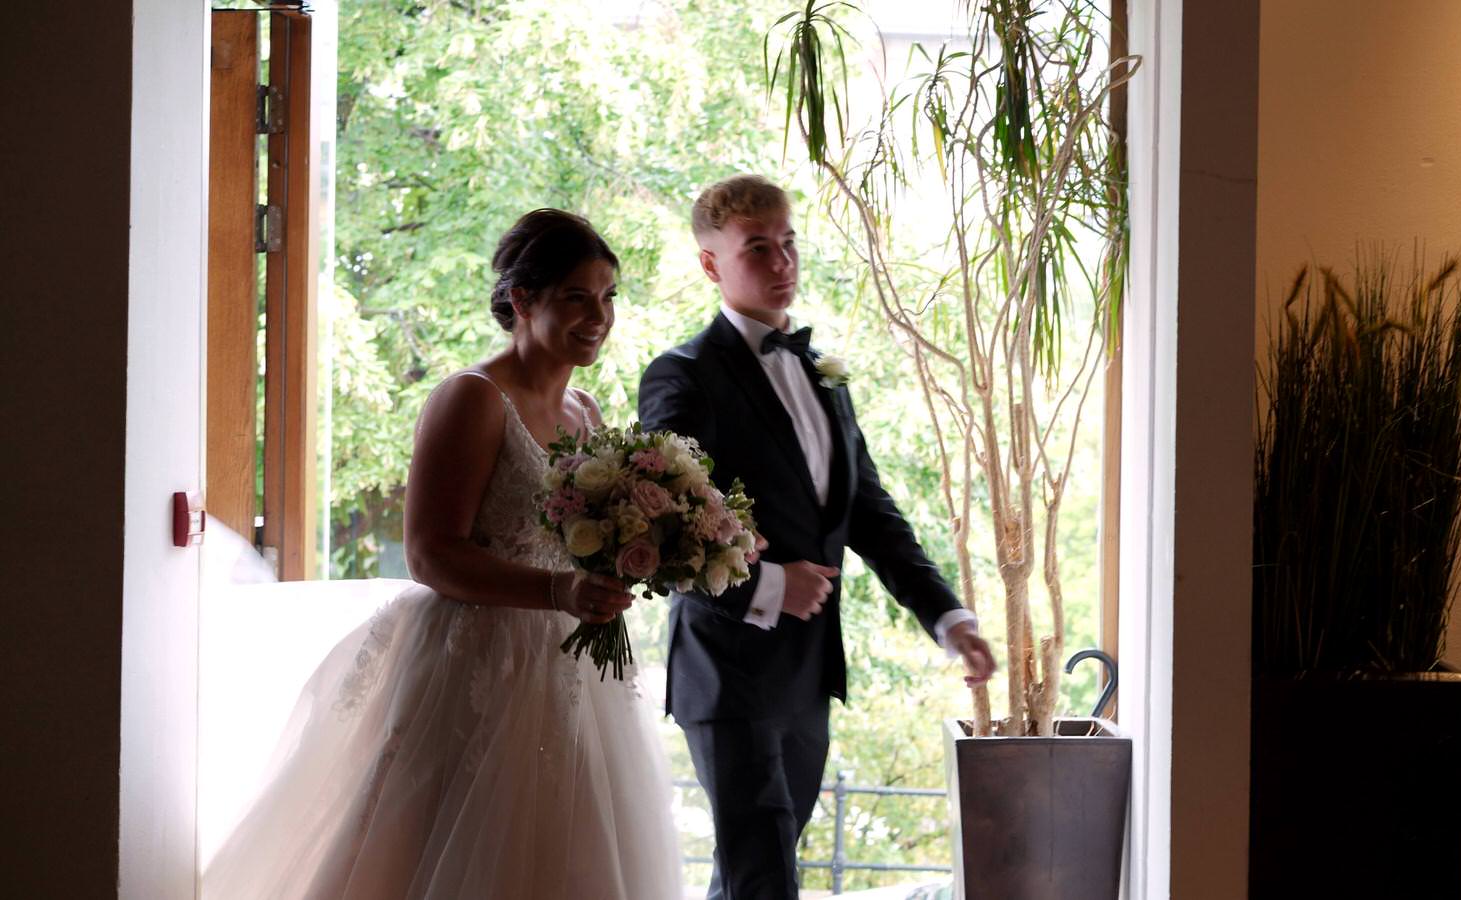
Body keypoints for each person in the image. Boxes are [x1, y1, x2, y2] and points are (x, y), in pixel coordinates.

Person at [202, 209, 681, 900]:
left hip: (571, 661)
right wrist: (555, 594)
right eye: (576, 296)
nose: (598, 315)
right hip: (479, 658)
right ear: (523, 300)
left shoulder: (586, 409)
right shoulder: (472, 397)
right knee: (446, 848)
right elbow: (430, 555)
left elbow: (583, 540)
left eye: (607, 297)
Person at [638, 175, 997, 900]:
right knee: (765, 870)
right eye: (758, 248)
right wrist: (772, 582)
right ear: (711, 264)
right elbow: (662, 524)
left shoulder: (821, 372)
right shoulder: (683, 376)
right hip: (726, 665)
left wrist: (947, 616)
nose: (782, 264)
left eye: (789, 244)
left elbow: (869, 511)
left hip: (806, 670)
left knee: (750, 871)